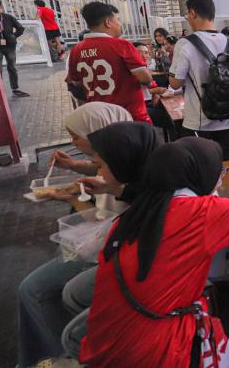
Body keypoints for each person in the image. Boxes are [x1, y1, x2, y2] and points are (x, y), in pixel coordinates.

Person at [79, 137, 229, 367]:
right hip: (159, 349)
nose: (220, 175)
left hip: (105, 344)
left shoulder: (140, 209)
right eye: (218, 169)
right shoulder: (200, 213)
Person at [19, 118, 157, 367]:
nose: (97, 170)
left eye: (100, 163)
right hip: (106, 253)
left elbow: (102, 229)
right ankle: (51, 354)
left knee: (46, 294)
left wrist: (75, 199)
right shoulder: (134, 179)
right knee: (58, 292)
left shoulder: (150, 199)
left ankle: (57, 356)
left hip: (110, 260)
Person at [167, 0, 229, 159]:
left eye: (187, 14)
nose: (187, 18)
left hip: (200, 118)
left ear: (193, 13)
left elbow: (175, 83)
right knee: (226, 159)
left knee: (200, 163)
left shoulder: (185, 43)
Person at [67, 2, 152, 122]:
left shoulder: (76, 50)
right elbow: (145, 79)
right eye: (117, 20)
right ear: (108, 22)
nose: (119, 24)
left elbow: (76, 83)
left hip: (99, 116)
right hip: (129, 115)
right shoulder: (122, 45)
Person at [0, 0, 29, 97]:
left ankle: (15, 89)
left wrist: (14, 36)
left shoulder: (8, 17)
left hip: (9, 46)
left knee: (12, 67)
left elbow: (20, 28)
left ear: (0, 6)